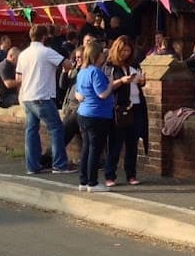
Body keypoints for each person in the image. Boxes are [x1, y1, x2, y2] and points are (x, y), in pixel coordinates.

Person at [16, 25, 70, 175]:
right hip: (42, 96)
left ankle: (32, 166)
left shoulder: (23, 54)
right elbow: (68, 64)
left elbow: (18, 78)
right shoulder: (47, 52)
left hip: (26, 96)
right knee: (57, 128)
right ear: (45, 36)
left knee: (31, 131)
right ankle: (59, 165)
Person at [102, 35, 147, 187]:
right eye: (123, 50)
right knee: (115, 144)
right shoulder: (109, 67)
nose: (126, 53)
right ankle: (110, 175)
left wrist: (141, 81)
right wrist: (121, 81)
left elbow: (137, 85)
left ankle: (131, 174)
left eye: (128, 50)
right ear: (117, 50)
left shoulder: (132, 66)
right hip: (118, 109)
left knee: (132, 144)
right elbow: (106, 88)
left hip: (136, 107)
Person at [74, 40, 115, 191]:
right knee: (95, 149)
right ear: (97, 56)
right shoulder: (95, 72)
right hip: (97, 115)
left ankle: (83, 181)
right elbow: (102, 94)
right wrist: (111, 83)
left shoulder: (82, 72)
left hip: (83, 113)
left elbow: (79, 93)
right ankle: (93, 182)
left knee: (86, 148)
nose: (103, 57)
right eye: (102, 55)